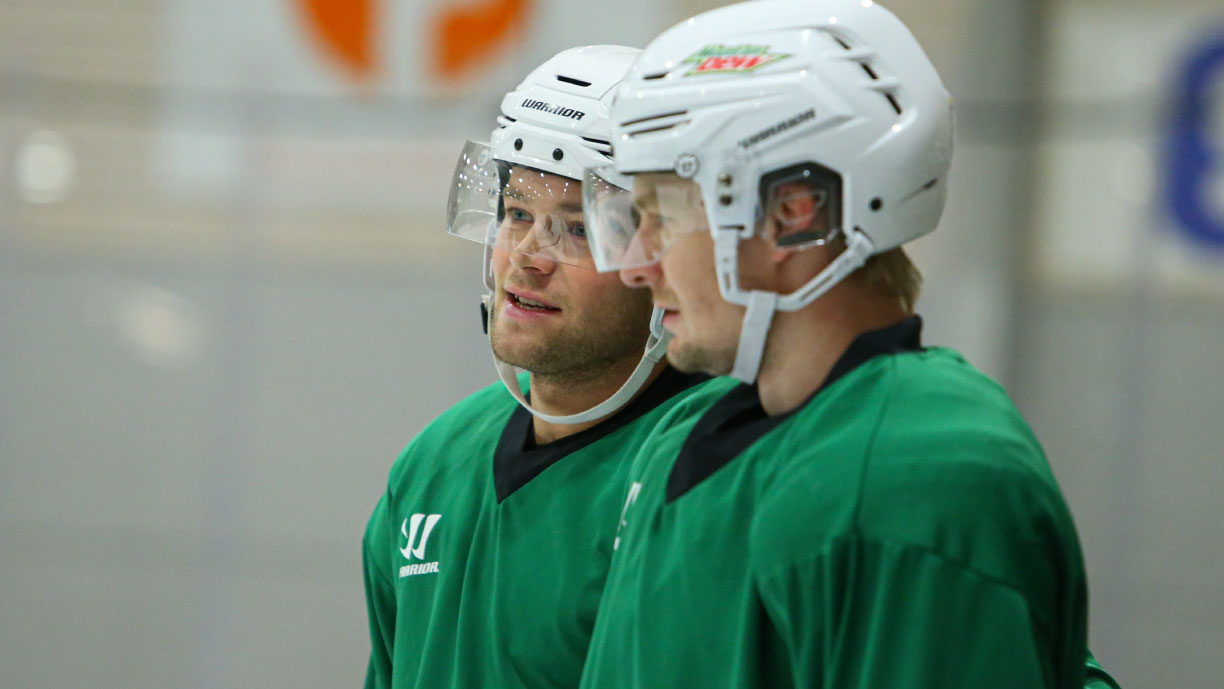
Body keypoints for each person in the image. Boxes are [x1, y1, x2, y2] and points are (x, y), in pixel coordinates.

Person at [578, 1, 1103, 687]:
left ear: (794, 213)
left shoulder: (918, 473)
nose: (635, 265)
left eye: (667, 217)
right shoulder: (697, 436)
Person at [361, 45, 711, 689]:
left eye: (577, 231)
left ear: (661, 262)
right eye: (518, 213)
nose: (526, 256)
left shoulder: (708, 469)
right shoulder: (434, 464)